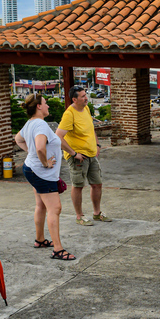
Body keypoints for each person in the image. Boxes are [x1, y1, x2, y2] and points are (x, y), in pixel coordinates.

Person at [14, 94, 76, 261]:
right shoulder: (40, 125)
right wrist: (45, 161)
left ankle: (40, 240)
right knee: (55, 209)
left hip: (31, 169)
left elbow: (18, 139)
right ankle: (58, 249)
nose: (48, 106)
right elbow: (41, 148)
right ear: (39, 107)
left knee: (41, 205)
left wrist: (32, 154)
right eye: (45, 103)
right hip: (42, 173)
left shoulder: (30, 123)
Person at [56, 86, 112, 226]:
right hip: (78, 157)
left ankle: (97, 213)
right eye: (82, 96)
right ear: (74, 99)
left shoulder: (86, 108)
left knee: (97, 184)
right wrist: (74, 153)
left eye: (85, 95)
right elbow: (58, 136)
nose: (86, 98)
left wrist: (97, 145)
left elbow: (90, 128)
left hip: (91, 154)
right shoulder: (70, 114)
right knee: (78, 185)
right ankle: (79, 216)